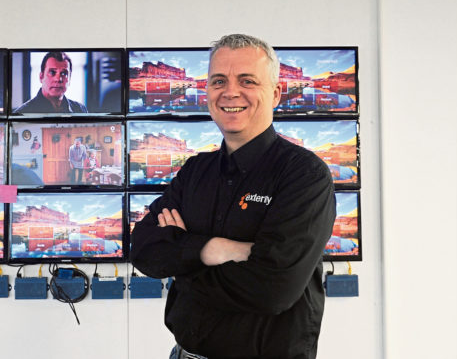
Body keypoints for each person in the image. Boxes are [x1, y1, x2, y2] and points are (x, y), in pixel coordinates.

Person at [130, 34, 336, 359]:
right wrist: (214, 249)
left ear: (276, 93)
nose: (230, 92)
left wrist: (183, 260)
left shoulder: (304, 176)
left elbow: (272, 290)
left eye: (247, 80)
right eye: (219, 81)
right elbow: (143, 249)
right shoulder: (195, 171)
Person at [14, 51, 88, 114]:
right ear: (41, 77)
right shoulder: (22, 113)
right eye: (52, 72)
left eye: (64, 73)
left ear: (69, 79)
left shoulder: (81, 110)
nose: (58, 79)